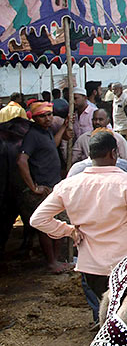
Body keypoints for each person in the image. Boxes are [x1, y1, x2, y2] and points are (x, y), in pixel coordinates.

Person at [31, 131, 127, 323]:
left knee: (103, 311)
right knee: (124, 315)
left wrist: (69, 231)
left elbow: (38, 219)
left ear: (90, 154)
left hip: (90, 266)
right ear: (114, 153)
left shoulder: (70, 184)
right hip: (123, 263)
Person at [18, 101, 69, 272]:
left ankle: (57, 260)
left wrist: (63, 129)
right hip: (43, 188)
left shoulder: (45, 132)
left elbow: (51, 146)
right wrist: (33, 187)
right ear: (34, 118)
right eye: (42, 116)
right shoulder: (32, 135)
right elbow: (21, 160)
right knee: (47, 226)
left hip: (54, 185)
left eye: (49, 115)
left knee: (60, 222)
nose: (47, 119)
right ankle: (52, 262)